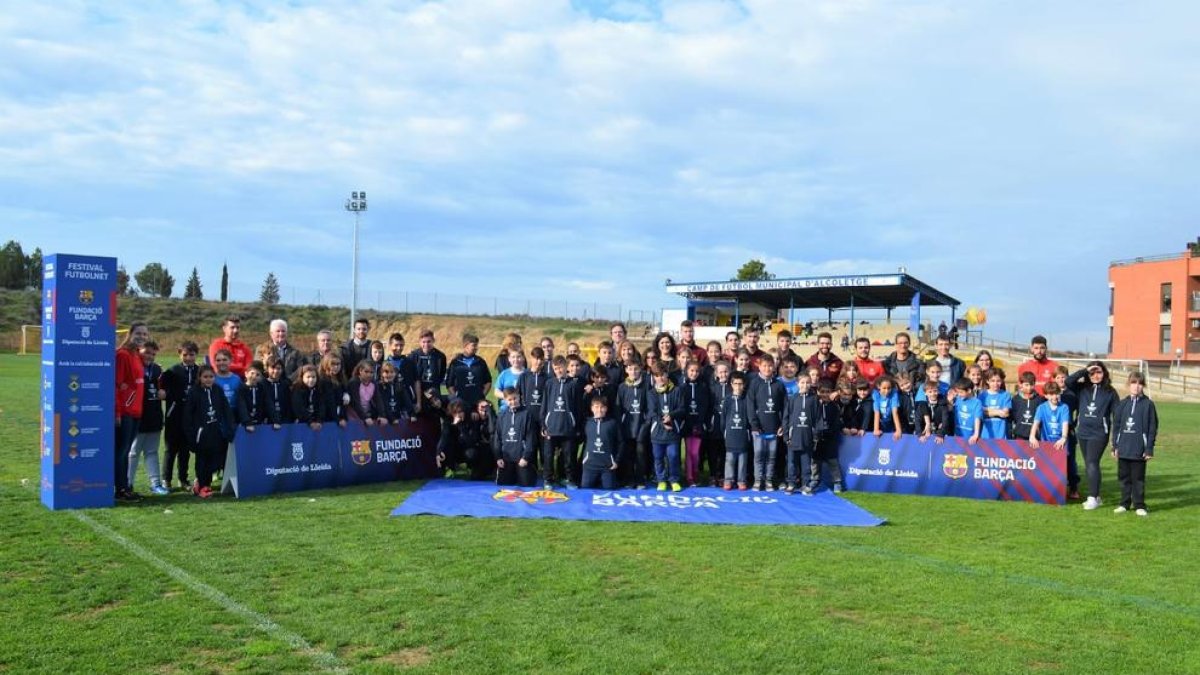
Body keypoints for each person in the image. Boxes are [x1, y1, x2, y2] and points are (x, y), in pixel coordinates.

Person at [1066, 362, 1118, 510]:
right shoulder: (1082, 388)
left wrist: (1115, 441)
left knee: (1092, 462)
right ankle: (1097, 497)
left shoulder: (1110, 392)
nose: (1095, 376)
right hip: (1082, 432)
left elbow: (1117, 415)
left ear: (1105, 373)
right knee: (1091, 463)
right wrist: (1085, 370)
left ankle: (1093, 497)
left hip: (1099, 433)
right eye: (1092, 373)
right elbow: (1069, 381)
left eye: (1099, 372)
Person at [183, 365, 235, 499]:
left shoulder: (217, 390)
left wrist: (230, 427)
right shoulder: (194, 392)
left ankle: (200, 483)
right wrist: (191, 436)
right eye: (205, 377)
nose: (208, 379)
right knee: (202, 460)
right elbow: (188, 416)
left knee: (215, 459)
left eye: (211, 377)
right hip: (200, 433)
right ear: (199, 377)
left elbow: (226, 410)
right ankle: (204, 486)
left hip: (215, 431)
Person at [1111, 372, 1157, 516]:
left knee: (1138, 479)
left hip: (1139, 449)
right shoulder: (1123, 404)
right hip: (1123, 448)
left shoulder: (1148, 404)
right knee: (1124, 478)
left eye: (1139, 383)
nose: (1136, 386)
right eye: (1133, 383)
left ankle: (1139, 505)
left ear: (1143, 386)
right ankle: (1124, 503)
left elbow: (1152, 428)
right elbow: (1117, 426)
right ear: (1128, 384)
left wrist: (1149, 449)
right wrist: (1114, 446)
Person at [115, 322, 150, 502]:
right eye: (139, 333)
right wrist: (118, 412)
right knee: (121, 452)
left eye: (145, 334)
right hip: (125, 411)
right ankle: (121, 489)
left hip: (136, 410)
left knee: (126, 450)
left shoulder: (137, 354)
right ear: (130, 334)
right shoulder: (122, 355)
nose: (142, 337)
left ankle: (125, 486)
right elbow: (117, 385)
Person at [128, 340, 168, 496]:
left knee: (152, 452)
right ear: (139, 350)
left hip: (154, 415)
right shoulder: (133, 366)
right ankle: (127, 484)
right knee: (133, 452)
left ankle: (155, 484)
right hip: (136, 416)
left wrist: (164, 393)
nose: (150, 356)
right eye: (147, 352)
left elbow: (165, 389)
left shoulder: (158, 369)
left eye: (153, 353)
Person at [160, 340, 199, 492]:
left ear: (196, 355)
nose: (188, 358)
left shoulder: (199, 371)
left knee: (185, 450)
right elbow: (161, 389)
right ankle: (166, 479)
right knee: (170, 449)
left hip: (191, 418)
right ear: (179, 354)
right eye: (185, 355)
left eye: (192, 355)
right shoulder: (172, 371)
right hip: (174, 416)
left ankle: (183, 479)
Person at [541, 355, 582, 489]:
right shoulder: (549, 383)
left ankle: (568, 479)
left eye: (561, 367)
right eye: (556, 368)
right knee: (548, 455)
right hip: (551, 427)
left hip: (567, 427)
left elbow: (577, 407)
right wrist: (543, 424)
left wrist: (576, 426)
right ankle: (548, 479)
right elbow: (545, 405)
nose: (559, 370)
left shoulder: (573, 385)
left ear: (566, 367)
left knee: (568, 456)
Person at [748, 354, 786, 491]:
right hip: (758, 429)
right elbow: (750, 406)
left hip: (774, 428)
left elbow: (784, 406)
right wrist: (754, 425)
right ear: (759, 366)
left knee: (771, 456)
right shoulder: (754, 383)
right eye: (764, 365)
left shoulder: (779, 384)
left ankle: (768, 480)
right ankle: (758, 480)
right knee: (758, 455)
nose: (767, 368)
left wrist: (783, 425)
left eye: (770, 365)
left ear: (774, 367)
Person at [647, 364, 686, 492]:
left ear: (667, 375)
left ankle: (674, 480)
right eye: (657, 376)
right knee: (658, 457)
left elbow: (681, 409)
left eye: (663, 375)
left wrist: (671, 416)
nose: (660, 378)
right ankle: (661, 480)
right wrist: (662, 421)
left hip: (672, 431)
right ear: (654, 378)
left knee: (673, 456)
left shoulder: (676, 390)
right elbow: (652, 411)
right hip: (658, 431)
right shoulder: (651, 393)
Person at [617, 358, 652, 489]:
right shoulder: (622, 387)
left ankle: (640, 480)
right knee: (628, 455)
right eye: (630, 369)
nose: (633, 371)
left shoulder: (646, 386)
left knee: (641, 454)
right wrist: (620, 425)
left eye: (636, 369)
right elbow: (618, 408)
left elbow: (650, 408)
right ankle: (629, 480)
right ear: (626, 370)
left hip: (641, 427)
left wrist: (646, 424)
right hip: (627, 427)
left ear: (641, 370)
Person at [783, 374, 819, 495]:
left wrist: (816, 435)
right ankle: (791, 484)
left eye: (807, 382)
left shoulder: (814, 399)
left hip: (807, 437)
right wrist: (786, 435)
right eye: (802, 382)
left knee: (806, 463)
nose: (805, 385)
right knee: (791, 462)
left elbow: (817, 419)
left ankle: (806, 484)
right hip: (793, 438)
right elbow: (786, 418)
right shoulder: (792, 398)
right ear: (797, 384)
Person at [494, 388, 537, 487]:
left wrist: (526, 457)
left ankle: (530, 471)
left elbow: (531, 438)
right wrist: (498, 457)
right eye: (509, 400)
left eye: (515, 398)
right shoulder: (501, 415)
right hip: (506, 458)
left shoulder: (527, 414)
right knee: (504, 484)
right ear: (505, 400)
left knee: (526, 483)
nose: (513, 401)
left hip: (521, 458)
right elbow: (497, 438)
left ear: (519, 397)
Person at [679, 360, 712, 487]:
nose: (694, 373)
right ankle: (689, 477)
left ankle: (695, 473)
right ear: (687, 372)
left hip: (698, 424)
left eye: (697, 371)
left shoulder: (703, 388)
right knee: (688, 452)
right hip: (686, 424)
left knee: (695, 452)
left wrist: (702, 422)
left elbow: (706, 406)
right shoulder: (682, 388)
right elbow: (681, 407)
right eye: (692, 370)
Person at [719, 371, 752, 491]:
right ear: (731, 384)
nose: (738, 386)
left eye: (740, 384)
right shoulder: (727, 400)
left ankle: (741, 480)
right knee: (730, 459)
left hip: (743, 434)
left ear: (744, 385)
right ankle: (728, 480)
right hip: (731, 434)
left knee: (743, 459)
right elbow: (723, 417)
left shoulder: (747, 399)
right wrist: (724, 430)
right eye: (735, 383)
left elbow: (749, 416)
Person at [810, 383, 845, 493]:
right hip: (817, 438)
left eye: (828, 392)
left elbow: (836, 422)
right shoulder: (815, 405)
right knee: (815, 461)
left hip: (830, 438)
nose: (825, 394)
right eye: (823, 392)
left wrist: (830, 431)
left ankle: (837, 482)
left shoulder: (834, 406)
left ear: (831, 393)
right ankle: (815, 480)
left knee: (832, 461)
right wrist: (816, 433)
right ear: (818, 392)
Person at [580, 395, 621, 489]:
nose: (599, 410)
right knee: (585, 491)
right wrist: (583, 460)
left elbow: (621, 442)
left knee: (610, 490)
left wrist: (616, 461)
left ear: (606, 408)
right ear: (592, 408)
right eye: (596, 407)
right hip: (590, 465)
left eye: (602, 407)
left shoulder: (613, 423)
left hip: (607, 466)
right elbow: (578, 440)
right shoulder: (586, 422)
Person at [446, 334, 491, 409]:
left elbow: (488, 382)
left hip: (478, 403)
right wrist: (456, 399)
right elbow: (449, 384)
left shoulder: (481, 362)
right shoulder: (456, 363)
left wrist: (482, 396)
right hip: (461, 403)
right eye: (473, 345)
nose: (476, 348)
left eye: (477, 345)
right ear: (465, 346)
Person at [411, 329, 448, 410]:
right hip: (419, 393)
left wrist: (444, 398)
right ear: (419, 342)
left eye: (429, 341)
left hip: (435, 393)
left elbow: (443, 379)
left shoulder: (440, 356)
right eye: (423, 342)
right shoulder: (413, 356)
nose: (426, 344)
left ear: (433, 341)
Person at [1030, 381, 1070, 455]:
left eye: (1056, 393)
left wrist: (1063, 438)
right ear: (1046, 396)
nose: (1054, 397)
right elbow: (1035, 423)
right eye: (1051, 394)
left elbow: (1065, 424)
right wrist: (1032, 436)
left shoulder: (1064, 407)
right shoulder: (1041, 408)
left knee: (1061, 466)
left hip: (1060, 444)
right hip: (1045, 444)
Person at [208, 315, 253, 380]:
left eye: (237, 327)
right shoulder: (216, 345)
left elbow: (249, 369)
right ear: (224, 329)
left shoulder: (245, 348)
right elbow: (216, 367)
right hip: (221, 381)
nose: (235, 330)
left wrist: (231, 368)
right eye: (232, 327)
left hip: (242, 382)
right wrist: (240, 367)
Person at [236, 360, 274, 432]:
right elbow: (242, 407)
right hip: (245, 425)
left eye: (257, 375)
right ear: (246, 374)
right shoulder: (241, 389)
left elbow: (268, 404)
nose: (254, 376)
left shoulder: (262, 388)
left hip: (259, 423)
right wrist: (247, 423)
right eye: (252, 373)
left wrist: (275, 420)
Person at [347, 359, 384, 426]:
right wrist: (365, 417)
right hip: (353, 414)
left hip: (367, 412)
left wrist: (382, 415)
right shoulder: (353, 383)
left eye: (371, 372)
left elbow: (378, 400)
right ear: (360, 371)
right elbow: (355, 403)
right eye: (366, 372)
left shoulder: (373, 383)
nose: (369, 375)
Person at [979, 369, 1012, 440]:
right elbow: (980, 413)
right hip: (985, 433)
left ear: (1002, 381)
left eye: (998, 381)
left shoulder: (1006, 395)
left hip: (1001, 434)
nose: (996, 383)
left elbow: (1005, 414)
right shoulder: (982, 395)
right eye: (992, 381)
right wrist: (999, 411)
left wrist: (987, 410)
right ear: (987, 381)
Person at [1010, 372, 1044, 441]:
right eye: (1026, 385)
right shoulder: (1015, 399)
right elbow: (1013, 417)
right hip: (1019, 435)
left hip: (1035, 436)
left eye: (1031, 385)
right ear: (1020, 384)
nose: (1029, 387)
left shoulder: (1040, 399)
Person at [317, 353, 348, 428]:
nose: (336, 367)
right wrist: (338, 420)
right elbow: (329, 402)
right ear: (326, 364)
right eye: (333, 364)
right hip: (326, 420)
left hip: (338, 417)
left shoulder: (341, 379)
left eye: (338, 364)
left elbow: (342, 402)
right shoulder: (323, 380)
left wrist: (343, 417)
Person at [291, 365, 326, 429]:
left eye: (313, 377)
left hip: (316, 422)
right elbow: (299, 408)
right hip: (301, 423)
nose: (311, 380)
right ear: (302, 377)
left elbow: (322, 405)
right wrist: (310, 422)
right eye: (308, 377)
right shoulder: (297, 389)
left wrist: (319, 420)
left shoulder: (319, 389)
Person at [262, 356, 291, 427]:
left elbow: (288, 403)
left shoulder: (285, 385)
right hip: (266, 421)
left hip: (284, 421)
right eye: (273, 368)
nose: (275, 371)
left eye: (278, 368)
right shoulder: (262, 384)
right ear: (267, 369)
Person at [952, 378, 983, 445]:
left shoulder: (977, 402)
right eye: (958, 392)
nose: (959, 394)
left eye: (961, 392)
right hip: (957, 436)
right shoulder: (957, 400)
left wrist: (976, 434)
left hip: (971, 437)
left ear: (969, 390)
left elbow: (977, 418)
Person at [872, 375, 902, 440]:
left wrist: (898, 430)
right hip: (880, 423)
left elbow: (895, 412)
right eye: (884, 388)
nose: (887, 391)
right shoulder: (875, 394)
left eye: (889, 388)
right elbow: (876, 412)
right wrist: (876, 429)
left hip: (891, 422)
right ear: (878, 386)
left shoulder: (894, 393)